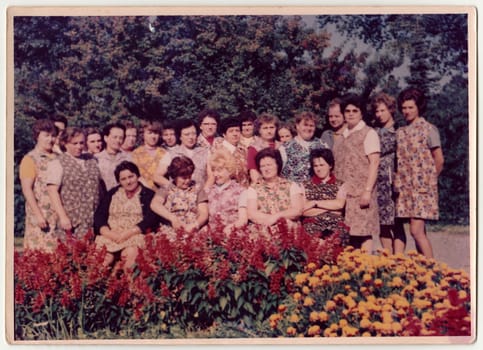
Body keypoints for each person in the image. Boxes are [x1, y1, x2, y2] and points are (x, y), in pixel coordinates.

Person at [394, 87, 444, 258]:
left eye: (410, 107)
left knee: (416, 230)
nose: (406, 111)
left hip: (423, 189)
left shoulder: (429, 129)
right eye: (404, 108)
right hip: (406, 189)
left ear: (418, 107)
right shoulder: (400, 132)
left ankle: (433, 272)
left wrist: (429, 181)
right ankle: (423, 271)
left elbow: (439, 159)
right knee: (418, 231)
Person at [333, 94, 380, 253]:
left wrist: (367, 191)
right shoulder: (341, 135)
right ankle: (352, 270)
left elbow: (374, 163)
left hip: (361, 192)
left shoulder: (369, 133)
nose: (351, 114)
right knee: (349, 234)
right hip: (344, 193)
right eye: (347, 111)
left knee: (364, 232)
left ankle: (365, 270)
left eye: (355, 110)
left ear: (361, 113)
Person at [94, 161, 160, 270]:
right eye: (123, 179)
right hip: (111, 235)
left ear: (137, 176)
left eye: (131, 177)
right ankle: (96, 285)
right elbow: (99, 216)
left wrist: (129, 233)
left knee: (130, 255)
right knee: (103, 260)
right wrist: (108, 233)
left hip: (135, 235)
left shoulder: (148, 194)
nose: (128, 182)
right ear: (119, 181)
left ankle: (130, 285)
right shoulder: (112, 193)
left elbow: (151, 219)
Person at [46, 127, 102, 238]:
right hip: (72, 220)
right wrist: (63, 217)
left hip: (93, 218)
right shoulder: (58, 163)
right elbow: (52, 191)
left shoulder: (92, 160)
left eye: (81, 143)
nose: (79, 146)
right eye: (74, 143)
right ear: (65, 143)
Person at [370, 92, 407, 254]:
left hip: (395, 180)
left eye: (382, 110)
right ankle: (388, 257)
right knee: (382, 222)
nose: (379, 115)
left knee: (397, 222)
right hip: (378, 181)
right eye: (377, 111)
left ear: (391, 110)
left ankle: (398, 259)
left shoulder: (400, 129)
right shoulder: (373, 131)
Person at [19, 119, 59, 252]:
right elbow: (27, 189)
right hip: (42, 213)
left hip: (58, 213)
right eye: (46, 135)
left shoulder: (59, 157)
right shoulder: (30, 159)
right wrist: (38, 215)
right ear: (37, 136)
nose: (50, 139)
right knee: (40, 254)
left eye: (53, 135)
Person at [246, 148, 304, 231]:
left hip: (288, 229)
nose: (266, 169)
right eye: (263, 166)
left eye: (269, 165)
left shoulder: (291, 185)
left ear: (277, 165)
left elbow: (297, 210)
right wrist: (273, 221)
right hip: (263, 230)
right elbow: (252, 213)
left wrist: (276, 217)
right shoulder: (253, 188)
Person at [150, 156, 209, 237]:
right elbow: (155, 204)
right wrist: (172, 218)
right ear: (174, 176)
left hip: (193, 229)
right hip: (171, 230)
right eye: (184, 178)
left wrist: (194, 225)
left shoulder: (198, 188)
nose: (188, 181)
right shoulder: (166, 188)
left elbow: (204, 213)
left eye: (189, 177)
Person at [302, 148, 349, 244]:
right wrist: (331, 208)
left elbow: (340, 205)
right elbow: (303, 211)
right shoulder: (305, 185)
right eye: (315, 166)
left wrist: (315, 203)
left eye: (322, 165)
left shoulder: (340, 184)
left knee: (340, 233)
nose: (318, 169)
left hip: (335, 225)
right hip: (312, 225)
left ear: (330, 165)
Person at [206, 149, 248, 233]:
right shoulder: (209, 191)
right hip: (212, 237)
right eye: (214, 170)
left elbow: (243, 219)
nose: (215, 174)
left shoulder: (240, 191)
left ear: (229, 170)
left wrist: (231, 228)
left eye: (219, 170)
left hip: (232, 235)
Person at [280, 111, 327, 183]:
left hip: (317, 190)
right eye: (305, 125)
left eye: (311, 126)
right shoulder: (285, 148)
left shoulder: (323, 145)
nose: (308, 128)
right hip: (294, 191)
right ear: (297, 126)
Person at [207, 117, 249, 188]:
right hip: (223, 191)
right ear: (224, 134)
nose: (235, 134)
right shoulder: (215, 150)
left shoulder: (244, 150)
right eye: (231, 131)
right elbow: (211, 175)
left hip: (243, 191)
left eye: (237, 131)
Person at [167, 119, 210, 187]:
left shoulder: (206, 152)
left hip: (201, 194)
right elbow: (158, 176)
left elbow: (211, 177)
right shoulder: (171, 153)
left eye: (194, 134)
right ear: (180, 136)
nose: (191, 137)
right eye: (187, 134)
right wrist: (172, 188)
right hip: (178, 195)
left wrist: (203, 193)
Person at [131, 120, 171, 190]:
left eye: (156, 133)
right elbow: (135, 176)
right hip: (142, 192)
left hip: (162, 193)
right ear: (143, 134)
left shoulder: (164, 153)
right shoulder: (135, 154)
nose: (153, 136)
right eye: (150, 133)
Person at [95, 122, 132, 191]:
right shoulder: (96, 159)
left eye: (121, 138)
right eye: (115, 137)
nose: (118, 140)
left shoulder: (128, 158)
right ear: (106, 138)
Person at [247, 113, 281, 184]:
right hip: (262, 185)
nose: (269, 131)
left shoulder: (281, 146)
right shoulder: (254, 148)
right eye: (265, 128)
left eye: (271, 127)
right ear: (259, 130)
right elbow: (253, 172)